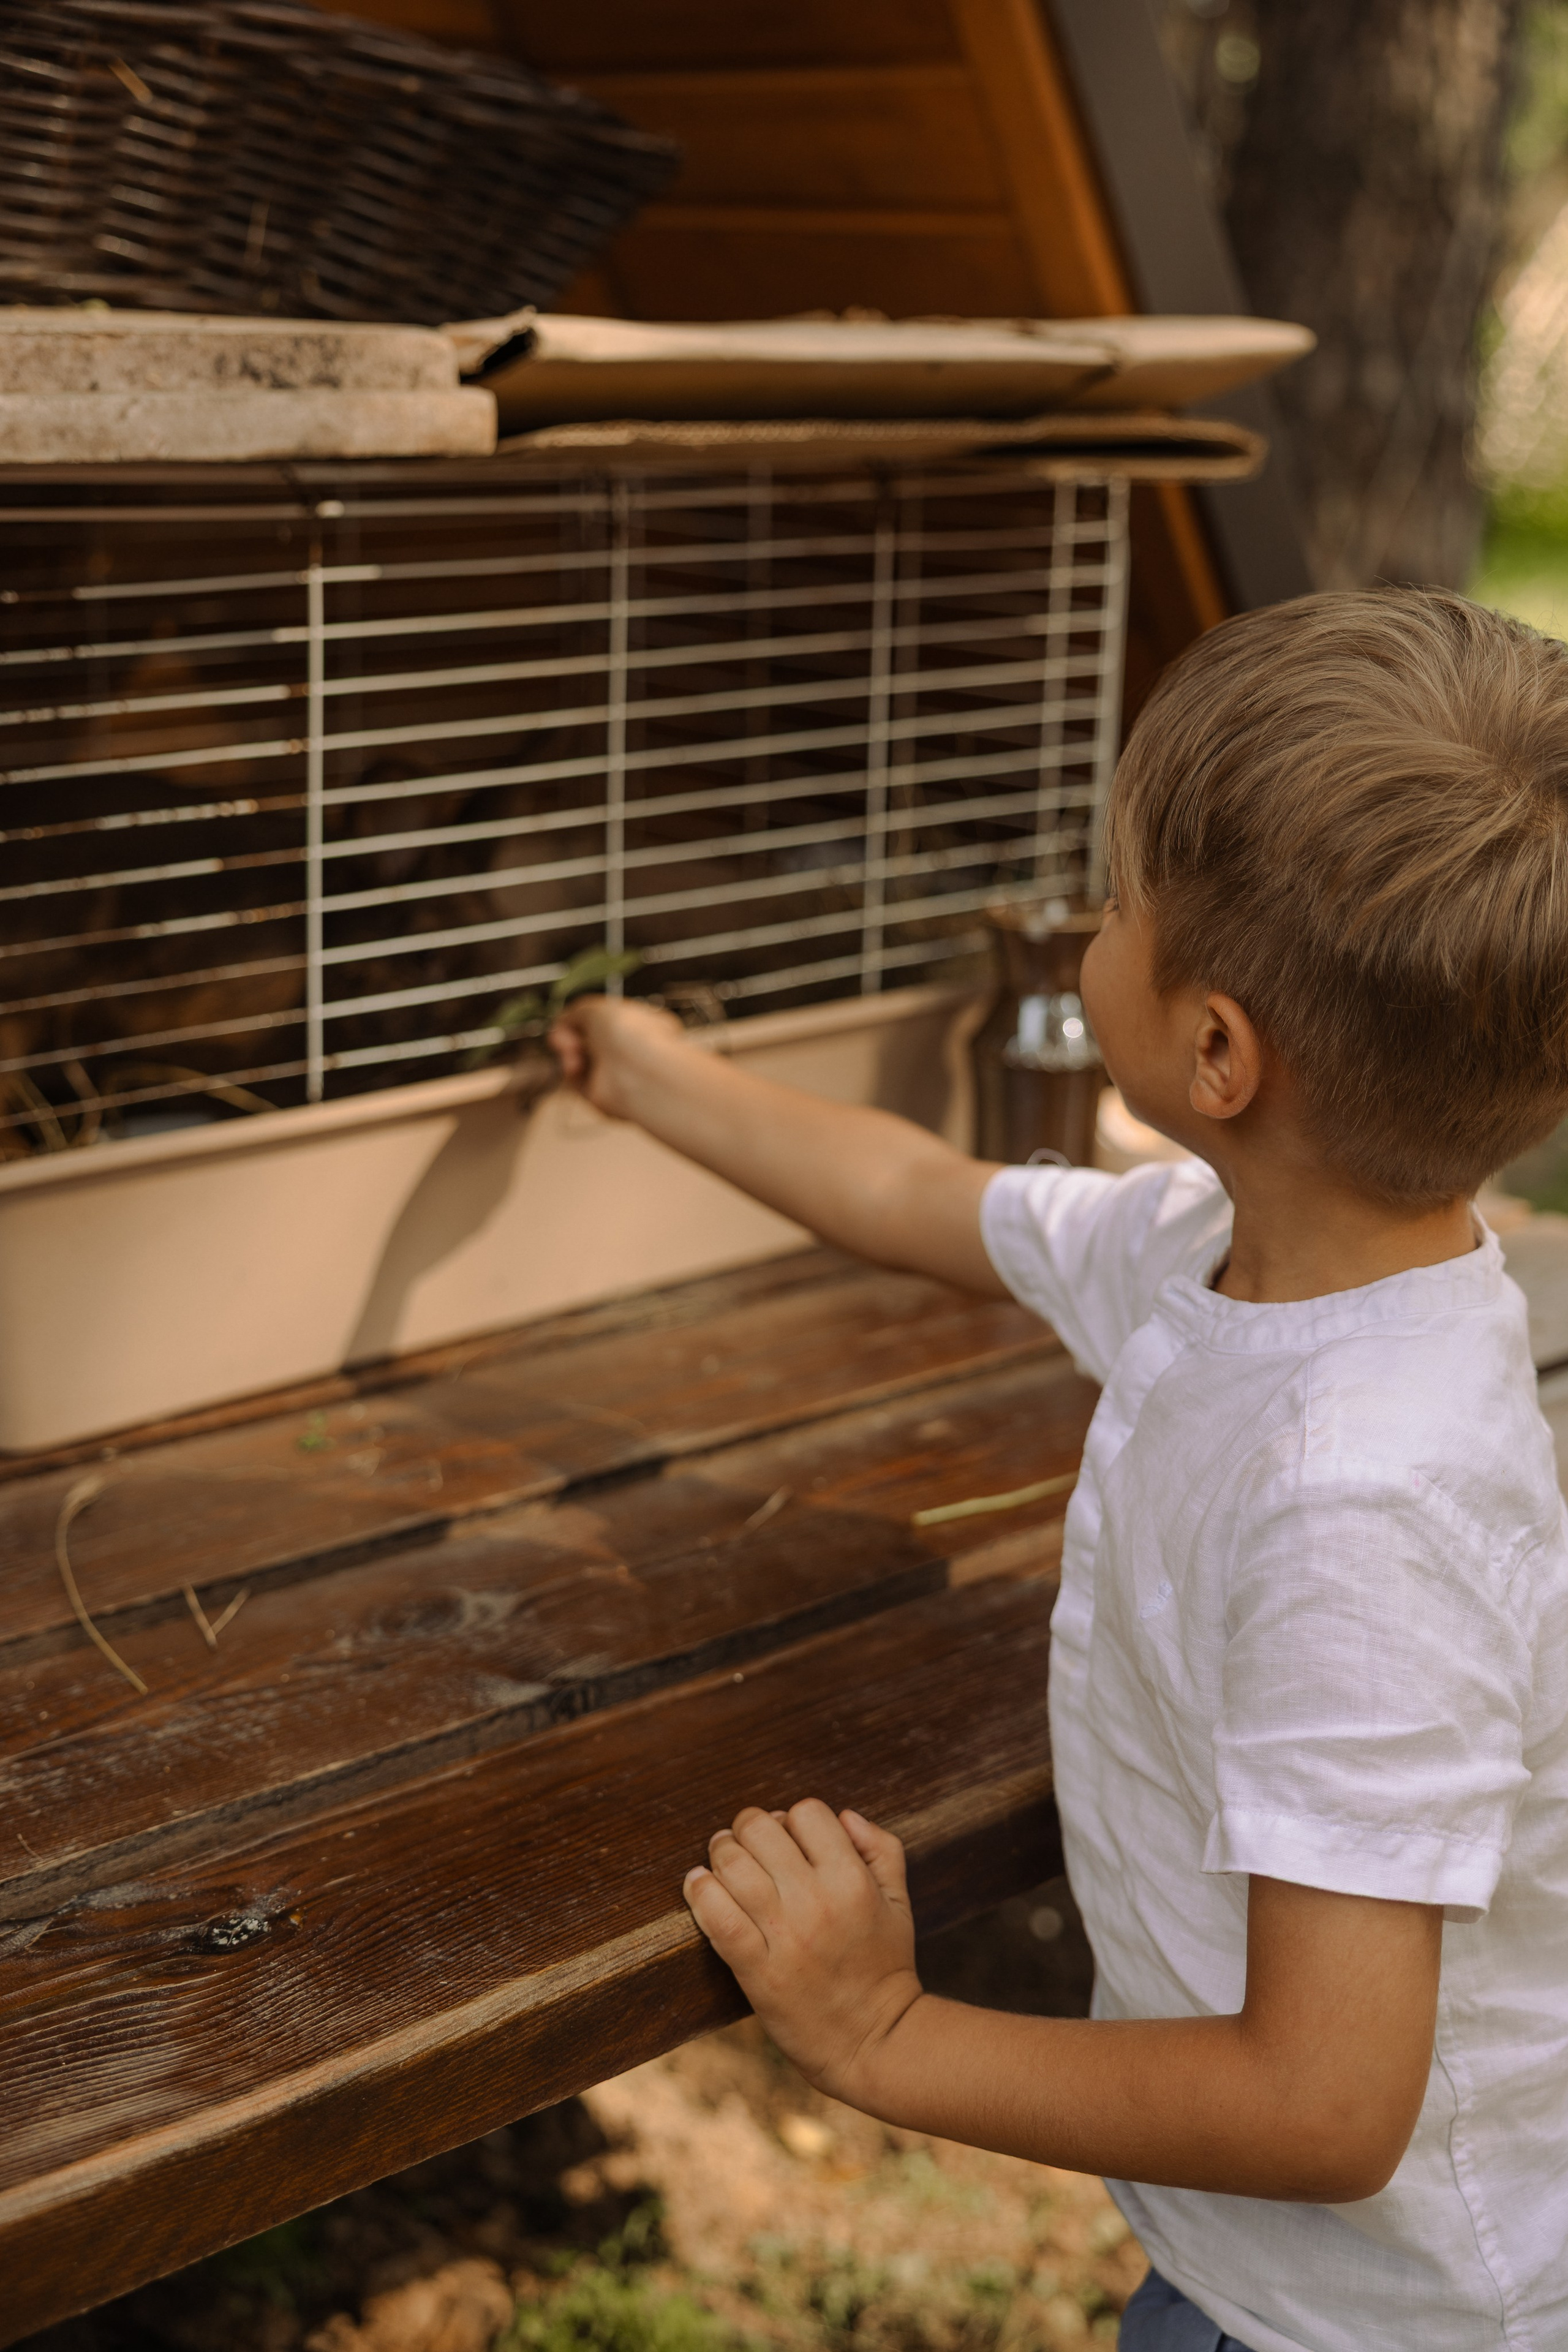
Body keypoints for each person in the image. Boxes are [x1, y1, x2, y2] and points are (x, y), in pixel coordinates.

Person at [549, 588, 1568, 2352]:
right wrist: (657, 1080)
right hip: (1279, 2279)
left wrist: (885, 2037)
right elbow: (911, 1196)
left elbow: (1328, 2105)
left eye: (1114, 906)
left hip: (1382, 2322)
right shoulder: (1234, 1251)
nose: (1090, 930)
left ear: (1219, 1053)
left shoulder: (1360, 1517)